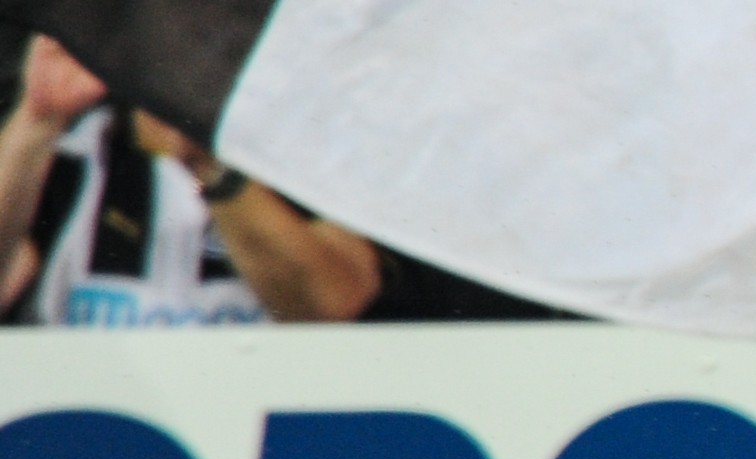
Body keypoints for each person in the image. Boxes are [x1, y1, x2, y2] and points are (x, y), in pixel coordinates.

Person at [0, 33, 555, 325]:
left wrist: (209, 168)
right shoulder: (77, 137)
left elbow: (333, 303)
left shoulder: (321, 140)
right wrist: (35, 124)